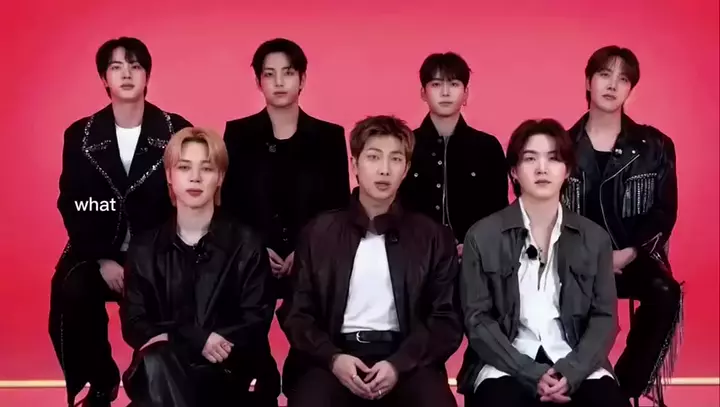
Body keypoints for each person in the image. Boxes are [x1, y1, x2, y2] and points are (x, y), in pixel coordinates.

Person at [277, 115, 462, 407]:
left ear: (406, 169)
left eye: (395, 159)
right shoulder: (318, 233)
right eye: (374, 157)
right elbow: (296, 313)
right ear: (355, 165)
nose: (384, 169)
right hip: (333, 357)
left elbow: (446, 319)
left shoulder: (433, 237)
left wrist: (398, 364)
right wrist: (333, 358)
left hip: (407, 359)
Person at [49, 36, 192, 407]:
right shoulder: (80, 135)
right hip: (96, 248)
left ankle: (151, 382)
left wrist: (142, 261)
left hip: (159, 250)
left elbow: (188, 199)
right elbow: (72, 201)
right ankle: (100, 381)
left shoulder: (177, 129)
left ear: (147, 76)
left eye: (135, 66)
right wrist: (101, 258)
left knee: (178, 292)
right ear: (104, 78)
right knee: (72, 289)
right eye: (116, 67)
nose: (126, 74)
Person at [458, 118, 631, 407]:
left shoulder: (594, 238)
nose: (542, 168)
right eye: (530, 158)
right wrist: (529, 372)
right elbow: (477, 320)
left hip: (577, 361)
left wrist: (572, 371)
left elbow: (605, 318)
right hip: (505, 363)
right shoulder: (481, 236)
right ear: (514, 171)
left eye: (553, 158)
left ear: (568, 170)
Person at [220, 37, 351, 405]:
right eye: (269, 74)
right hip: (251, 259)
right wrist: (256, 249)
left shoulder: (328, 137)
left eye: (288, 73)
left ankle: (303, 374)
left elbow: (337, 209)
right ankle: (257, 374)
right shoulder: (238, 134)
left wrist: (303, 251)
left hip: (311, 259)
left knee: (317, 308)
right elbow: (229, 205)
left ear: (302, 79)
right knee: (238, 302)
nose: (279, 82)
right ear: (258, 81)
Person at [120, 127, 275, 406]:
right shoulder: (144, 248)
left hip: (226, 370)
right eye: (184, 167)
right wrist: (195, 337)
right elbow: (134, 323)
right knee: (158, 360)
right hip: (162, 366)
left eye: (206, 168)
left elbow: (255, 322)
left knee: (158, 368)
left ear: (220, 178)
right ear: (169, 175)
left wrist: (184, 338)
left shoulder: (246, 243)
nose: (195, 177)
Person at [563, 45, 681, 403]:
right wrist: (591, 256)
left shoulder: (655, 146)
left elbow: (664, 212)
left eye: (623, 79)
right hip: (574, 261)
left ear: (631, 89)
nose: (612, 85)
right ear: (588, 81)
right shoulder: (561, 145)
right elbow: (545, 212)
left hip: (633, 258)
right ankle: (572, 380)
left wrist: (629, 253)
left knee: (665, 292)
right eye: (604, 75)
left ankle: (623, 390)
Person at [399, 52, 508, 256]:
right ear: (423, 93)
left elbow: (500, 212)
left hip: (476, 258)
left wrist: (476, 245)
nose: (445, 92)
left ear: (466, 93)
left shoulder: (487, 147)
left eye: (454, 84)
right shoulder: (405, 145)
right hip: (414, 257)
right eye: (436, 84)